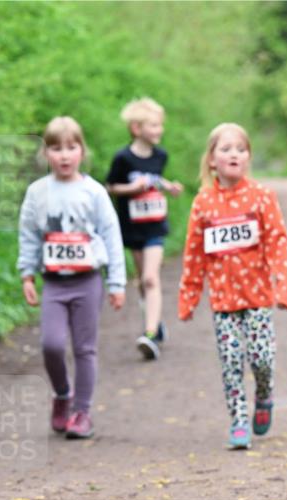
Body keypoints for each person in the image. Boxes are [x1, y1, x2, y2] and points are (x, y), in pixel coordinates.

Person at [177, 123, 287, 450]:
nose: (234, 154)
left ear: (248, 158)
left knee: (261, 359)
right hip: (223, 302)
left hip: (258, 297)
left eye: (241, 149)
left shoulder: (262, 197)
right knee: (230, 361)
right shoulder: (203, 203)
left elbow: (278, 243)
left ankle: (264, 394)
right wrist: (189, 297)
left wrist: (284, 287)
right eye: (226, 149)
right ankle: (239, 420)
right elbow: (194, 253)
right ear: (211, 159)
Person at [17, 116, 126, 440]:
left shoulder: (94, 192)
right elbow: (29, 234)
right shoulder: (37, 192)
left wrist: (116, 282)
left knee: (84, 348)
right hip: (54, 283)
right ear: (45, 154)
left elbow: (111, 236)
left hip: (87, 281)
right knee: (51, 345)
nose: (64, 155)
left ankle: (82, 412)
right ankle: (62, 394)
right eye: (56, 148)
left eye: (71, 147)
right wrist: (27, 274)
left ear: (82, 151)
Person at [105, 97, 183, 360]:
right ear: (136, 128)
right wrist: (131, 188)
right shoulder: (123, 158)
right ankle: (155, 322)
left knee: (150, 278)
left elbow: (155, 179)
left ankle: (149, 334)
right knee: (142, 280)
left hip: (155, 226)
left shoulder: (161, 156)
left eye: (160, 125)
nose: (160, 130)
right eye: (154, 125)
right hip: (132, 227)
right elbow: (110, 187)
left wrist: (169, 186)